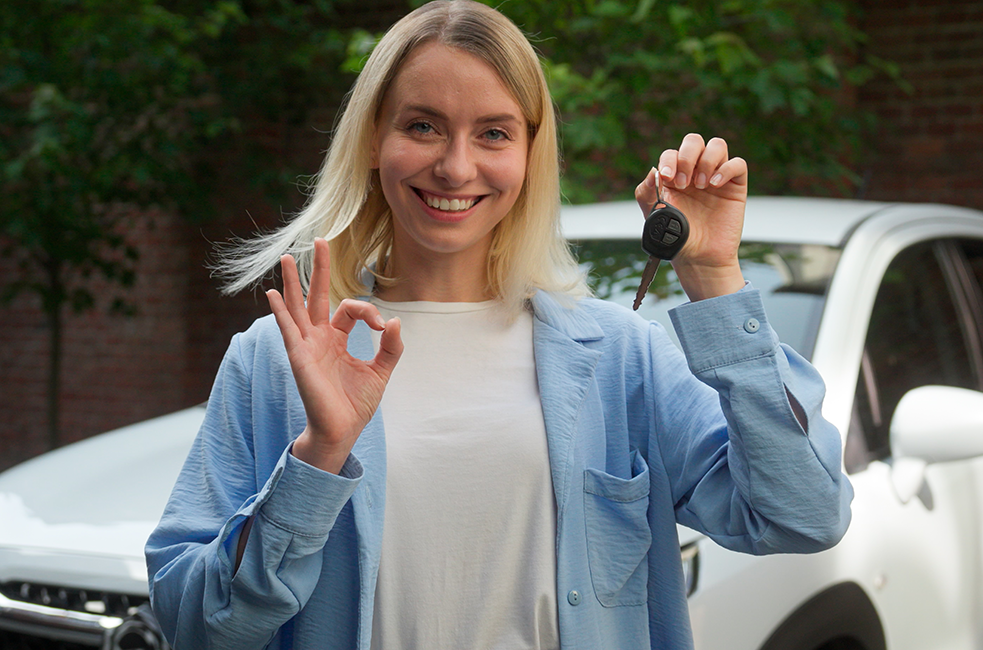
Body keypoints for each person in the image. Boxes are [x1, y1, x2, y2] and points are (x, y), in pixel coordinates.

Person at [145, 1, 853, 649]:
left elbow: (803, 515)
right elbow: (195, 628)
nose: (455, 167)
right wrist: (317, 457)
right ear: (371, 140)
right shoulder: (277, 360)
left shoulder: (618, 356)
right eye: (421, 125)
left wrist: (712, 278)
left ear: (528, 152)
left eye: (492, 133)